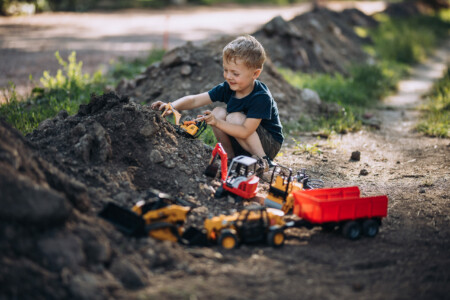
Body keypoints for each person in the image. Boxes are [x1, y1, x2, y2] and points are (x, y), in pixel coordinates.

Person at [151, 35, 284, 174]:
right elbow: (195, 100)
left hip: (267, 144)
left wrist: (217, 123)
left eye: (235, 73)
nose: (228, 76)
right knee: (218, 112)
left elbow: (245, 131)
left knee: (234, 118)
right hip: (243, 141)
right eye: (226, 70)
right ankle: (230, 158)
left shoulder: (261, 97)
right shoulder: (228, 87)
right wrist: (172, 105)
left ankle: (264, 162)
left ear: (255, 74)